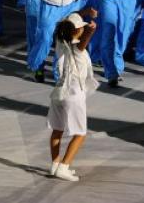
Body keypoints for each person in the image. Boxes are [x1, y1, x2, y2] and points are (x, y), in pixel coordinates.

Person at [48, 12, 99, 182]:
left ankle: (55, 164)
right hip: (73, 94)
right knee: (80, 133)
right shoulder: (78, 47)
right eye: (82, 27)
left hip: (58, 92)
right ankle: (64, 166)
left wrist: (84, 14)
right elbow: (84, 41)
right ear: (77, 30)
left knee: (58, 129)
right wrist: (90, 31)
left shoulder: (59, 43)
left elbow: (70, 18)